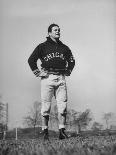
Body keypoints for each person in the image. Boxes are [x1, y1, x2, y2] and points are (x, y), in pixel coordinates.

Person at [28, 23, 75, 140]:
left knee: (63, 106)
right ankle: (45, 132)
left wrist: (68, 70)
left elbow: (72, 61)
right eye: (55, 30)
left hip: (61, 78)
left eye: (59, 30)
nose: (58, 31)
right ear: (49, 33)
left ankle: (62, 132)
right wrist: (38, 72)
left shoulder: (65, 48)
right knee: (46, 106)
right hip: (47, 78)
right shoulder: (42, 47)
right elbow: (31, 60)